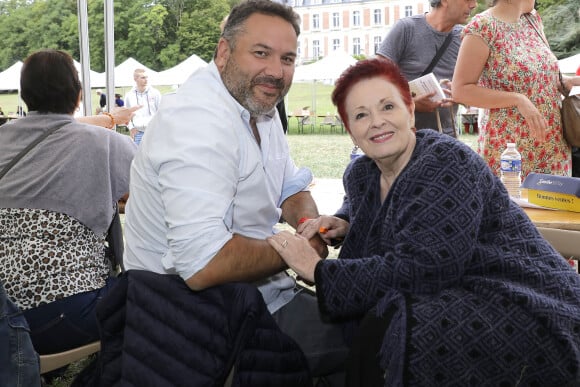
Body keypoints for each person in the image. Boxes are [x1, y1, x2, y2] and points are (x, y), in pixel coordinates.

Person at [267, 57, 580, 386]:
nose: (376, 122)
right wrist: (345, 221)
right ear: (351, 130)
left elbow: (427, 266)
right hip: (446, 297)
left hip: (513, 297)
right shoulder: (361, 173)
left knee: (409, 326)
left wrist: (317, 270)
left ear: (411, 112)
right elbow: (369, 207)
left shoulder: (446, 160)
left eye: (388, 106)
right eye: (360, 114)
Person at [123, 0, 348, 383]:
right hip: (194, 318)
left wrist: (309, 225)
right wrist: (295, 251)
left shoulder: (257, 102)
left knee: (379, 321)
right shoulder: (197, 121)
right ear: (224, 52)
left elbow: (289, 187)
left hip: (256, 297)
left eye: (288, 58)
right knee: (379, 341)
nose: (276, 71)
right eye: (261, 53)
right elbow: (203, 263)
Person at [0, 49, 137, 356]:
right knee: (163, 297)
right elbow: (148, 198)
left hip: (3, 313)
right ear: (78, 96)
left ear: (24, 97)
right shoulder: (109, 145)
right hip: (65, 311)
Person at [452, 2, 580, 179]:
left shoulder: (533, 20)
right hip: (510, 151)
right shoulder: (483, 26)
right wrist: (518, 99)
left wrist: (568, 82)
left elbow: (534, 78)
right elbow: (460, 90)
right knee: (513, 205)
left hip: (553, 149)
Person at [376, 0, 477, 137]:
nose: (473, 5)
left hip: (446, 140)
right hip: (403, 139)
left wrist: (461, 95)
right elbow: (375, 80)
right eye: (468, 0)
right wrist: (410, 103)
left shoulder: (465, 38)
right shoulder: (406, 28)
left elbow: (474, 90)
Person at [124, 68, 162, 145]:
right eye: (143, 78)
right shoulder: (129, 95)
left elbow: (161, 111)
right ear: (135, 79)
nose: (146, 80)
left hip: (154, 132)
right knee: (139, 156)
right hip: (138, 133)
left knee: (155, 156)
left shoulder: (155, 93)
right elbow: (126, 114)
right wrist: (131, 128)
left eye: (147, 77)